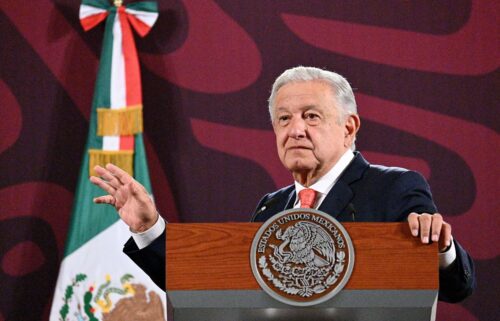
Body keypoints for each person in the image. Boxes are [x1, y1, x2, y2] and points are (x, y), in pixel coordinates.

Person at [90, 66, 475, 303]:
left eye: (311, 116)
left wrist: (439, 248)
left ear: (349, 127)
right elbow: (209, 287)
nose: (296, 130)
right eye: (284, 119)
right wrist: (148, 229)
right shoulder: (271, 208)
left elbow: (456, 286)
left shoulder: (395, 188)